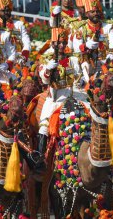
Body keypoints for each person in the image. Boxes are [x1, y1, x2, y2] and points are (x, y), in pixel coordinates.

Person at [36, 28, 84, 159]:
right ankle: (39, 158)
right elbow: (44, 79)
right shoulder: (45, 60)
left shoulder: (72, 60)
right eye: (58, 43)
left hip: (70, 97)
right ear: (52, 44)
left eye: (64, 43)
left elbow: (79, 77)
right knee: (44, 126)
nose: (61, 46)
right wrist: (48, 69)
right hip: (54, 99)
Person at [0, 0, 31, 64]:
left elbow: (26, 41)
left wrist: (24, 55)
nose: (6, 13)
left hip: (20, 60)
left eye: (8, 10)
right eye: (3, 10)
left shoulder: (19, 24)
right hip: (3, 62)